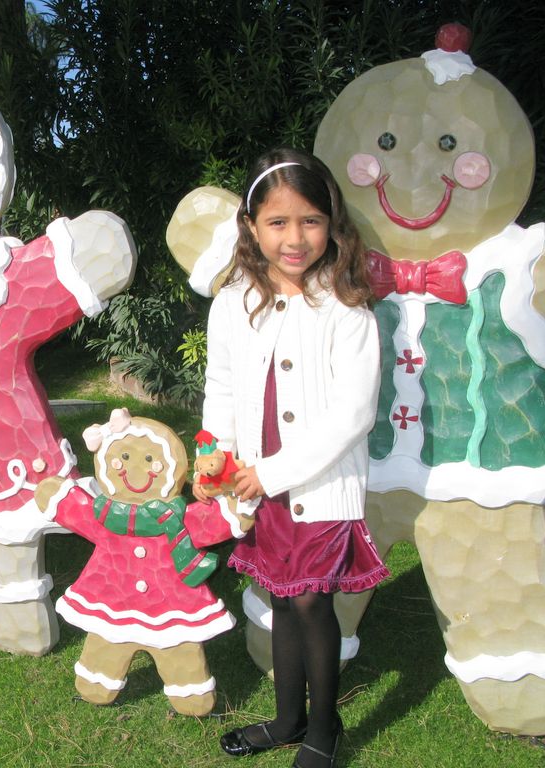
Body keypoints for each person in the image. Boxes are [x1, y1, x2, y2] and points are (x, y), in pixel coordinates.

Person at [193, 148, 388, 768]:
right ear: (251, 227)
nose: (295, 238)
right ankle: (286, 718)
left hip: (320, 483)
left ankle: (324, 728)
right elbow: (220, 388)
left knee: (310, 601)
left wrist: (268, 473)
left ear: (331, 222)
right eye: (277, 223)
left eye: (310, 220)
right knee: (281, 597)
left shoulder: (345, 305)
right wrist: (212, 457)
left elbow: (353, 414)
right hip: (254, 485)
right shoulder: (233, 301)